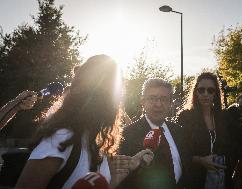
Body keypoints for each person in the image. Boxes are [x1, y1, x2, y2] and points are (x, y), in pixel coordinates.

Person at [15, 55, 153, 189]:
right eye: (113, 94)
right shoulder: (62, 138)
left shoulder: (100, 143)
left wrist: (123, 173)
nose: (117, 103)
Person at [118, 78, 186, 189]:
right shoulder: (127, 135)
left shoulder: (179, 132)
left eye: (163, 99)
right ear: (142, 102)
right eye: (152, 98)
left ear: (170, 103)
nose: (158, 104)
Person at [177, 72, 230, 189]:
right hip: (196, 179)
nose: (205, 94)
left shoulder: (223, 117)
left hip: (221, 179)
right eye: (201, 90)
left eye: (210, 90)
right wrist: (200, 160)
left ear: (216, 93)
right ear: (196, 92)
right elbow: (180, 149)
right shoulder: (186, 117)